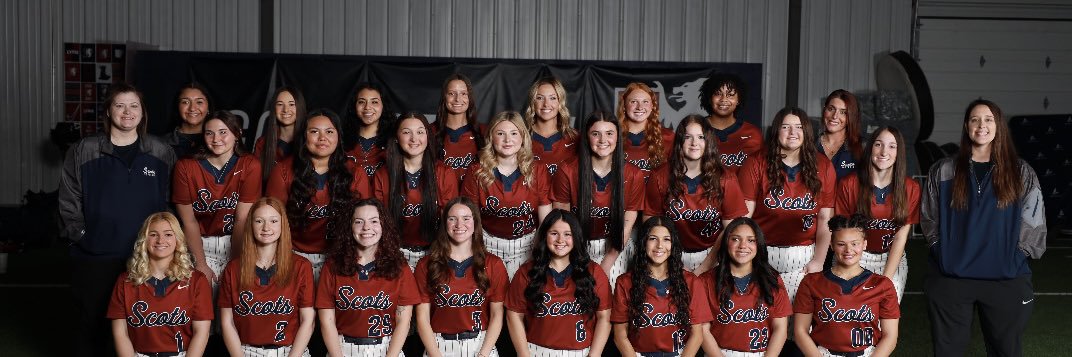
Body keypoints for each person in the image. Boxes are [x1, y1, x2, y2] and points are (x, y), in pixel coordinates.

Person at [921, 99, 1046, 356]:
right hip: (952, 278)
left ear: (998, 125)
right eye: (975, 119)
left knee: (1006, 351)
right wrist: (940, 251)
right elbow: (929, 217)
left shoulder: (1020, 172)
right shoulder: (944, 170)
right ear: (967, 126)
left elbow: (1034, 222)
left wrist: (1014, 258)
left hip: (1005, 278)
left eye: (988, 119)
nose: (982, 125)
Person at [59, 83, 176, 357]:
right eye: (119, 105)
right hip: (96, 256)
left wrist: (164, 244)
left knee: (142, 327)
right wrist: (84, 237)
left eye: (134, 105)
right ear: (109, 112)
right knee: (92, 325)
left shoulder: (160, 151)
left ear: (143, 112)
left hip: (147, 256)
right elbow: (68, 199)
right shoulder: (83, 150)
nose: (127, 112)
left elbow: (172, 202)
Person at [737, 107, 836, 303]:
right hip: (763, 253)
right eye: (786, 127)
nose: (793, 133)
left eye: (799, 127)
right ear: (776, 131)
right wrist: (747, 258)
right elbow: (743, 219)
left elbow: (825, 218)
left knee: (799, 323)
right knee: (761, 320)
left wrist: (818, 261)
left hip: (803, 256)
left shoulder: (822, 165)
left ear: (806, 132)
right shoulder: (756, 163)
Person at [645, 115, 748, 272]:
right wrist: (672, 262)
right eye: (688, 137)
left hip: (713, 254)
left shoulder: (726, 178)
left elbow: (732, 229)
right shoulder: (660, 176)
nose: (694, 143)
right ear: (680, 141)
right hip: (668, 254)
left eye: (701, 137)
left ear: (709, 141)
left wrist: (705, 267)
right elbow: (650, 224)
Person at [317, 198, 419, 357]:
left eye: (374, 221)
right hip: (343, 348)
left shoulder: (399, 266)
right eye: (358, 222)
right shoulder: (332, 266)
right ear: (349, 227)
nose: (366, 228)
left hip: (387, 348)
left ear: (383, 225)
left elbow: (403, 322)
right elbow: (327, 321)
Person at [552, 111, 644, 285]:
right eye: (596, 134)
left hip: (615, 247)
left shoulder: (633, 174)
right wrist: (577, 260)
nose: (603, 140)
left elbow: (627, 224)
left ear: (618, 137)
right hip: (575, 246)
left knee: (608, 295)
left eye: (609, 133)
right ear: (587, 137)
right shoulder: (568, 170)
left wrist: (604, 268)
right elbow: (562, 222)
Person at [504, 210, 613, 356]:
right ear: (544, 236)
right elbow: (514, 315)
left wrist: (594, 355)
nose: (560, 240)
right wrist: (524, 355)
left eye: (567, 234)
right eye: (554, 233)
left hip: (581, 352)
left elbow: (604, 317)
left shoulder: (594, 271)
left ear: (576, 237)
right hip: (537, 351)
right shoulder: (527, 272)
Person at [173, 110, 261, 287]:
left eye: (223, 132)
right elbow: (188, 221)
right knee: (201, 308)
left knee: (233, 306)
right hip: (198, 245)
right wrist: (201, 264)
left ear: (237, 134)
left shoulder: (250, 164)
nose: (216, 139)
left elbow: (242, 220)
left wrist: (235, 264)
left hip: (235, 243)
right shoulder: (185, 167)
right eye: (209, 133)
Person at [218, 197, 316, 356]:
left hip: (291, 351)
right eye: (259, 221)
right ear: (251, 225)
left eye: (273, 221)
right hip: (246, 351)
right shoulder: (233, 268)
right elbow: (226, 322)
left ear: (283, 224)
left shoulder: (301, 266)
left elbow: (308, 321)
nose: (266, 227)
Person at [266, 108, 357, 280]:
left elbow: (362, 221)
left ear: (338, 136)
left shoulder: (354, 172)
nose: (322, 138)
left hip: (339, 257)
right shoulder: (283, 171)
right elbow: (273, 222)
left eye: (329, 131)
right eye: (314, 131)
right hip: (294, 255)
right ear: (304, 137)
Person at [107, 212, 213, 357]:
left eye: (168, 234)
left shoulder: (196, 280)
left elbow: (201, 332)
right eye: (153, 234)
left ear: (178, 239)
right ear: (144, 239)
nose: (160, 240)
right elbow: (120, 333)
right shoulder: (125, 281)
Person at [414, 197, 509, 357]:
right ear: (445, 224)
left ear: (475, 223)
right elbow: (422, 317)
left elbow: (496, 314)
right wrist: (435, 354)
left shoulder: (494, 264)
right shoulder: (426, 265)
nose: (459, 225)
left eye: (466, 218)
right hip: (439, 345)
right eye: (452, 219)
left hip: (481, 343)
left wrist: (484, 354)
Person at [793, 214, 900, 357]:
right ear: (831, 245)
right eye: (841, 244)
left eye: (855, 243)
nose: (848, 250)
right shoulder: (811, 283)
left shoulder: (882, 285)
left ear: (864, 244)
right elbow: (800, 332)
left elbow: (890, 337)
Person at [461, 111, 552, 279]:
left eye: (514, 133)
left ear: (523, 137)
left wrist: (538, 253)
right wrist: (476, 250)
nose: (507, 140)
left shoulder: (537, 170)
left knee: (521, 299)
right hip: (488, 243)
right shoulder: (476, 171)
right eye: (500, 133)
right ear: (491, 137)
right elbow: (469, 218)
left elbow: (546, 221)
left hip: (527, 244)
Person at [835, 126, 919, 300]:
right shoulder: (849, 184)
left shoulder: (911, 188)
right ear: (870, 148)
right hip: (854, 256)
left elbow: (900, 238)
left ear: (899, 153)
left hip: (891, 258)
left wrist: (886, 279)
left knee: (885, 318)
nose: (883, 152)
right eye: (878, 144)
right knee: (849, 315)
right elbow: (843, 234)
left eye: (891, 146)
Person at [612, 216, 712, 356]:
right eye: (653, 238)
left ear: (673, 244)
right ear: (643, 242)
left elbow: (697, 335)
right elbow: (620, 336)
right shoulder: (625, 282)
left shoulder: (691, 282)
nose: (659, 245)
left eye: (666, 239)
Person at [374, 112, 460, 270]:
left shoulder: (444, 172)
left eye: (420, 132)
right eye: (407, 132)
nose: (414, 139)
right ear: (396, 138)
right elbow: (376, 223)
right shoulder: (382, 175)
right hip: (395, 253)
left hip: (434, 253)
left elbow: (450, 220)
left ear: (428, 136)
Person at [699, 217, 792, 356]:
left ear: (758, 244)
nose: (743, 245)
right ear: (726, 242)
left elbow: (780, 328)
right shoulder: (706, 281)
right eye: (735, 239)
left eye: (751, 240)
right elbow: (702, 330)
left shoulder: (772, 279)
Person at [699, 73, 763, 176]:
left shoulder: (753, 133)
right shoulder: (696, 129)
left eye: (730, 95)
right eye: (718, 93)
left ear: (738, 100)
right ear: (710, 98)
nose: (724, 99)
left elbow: (759, 174)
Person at [434, 74, 485, 180]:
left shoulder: (483, 132)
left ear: (469, 98)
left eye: (463, 93)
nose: (458, 99)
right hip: (440, 196)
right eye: (452, 93)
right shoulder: (429, 132)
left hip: (473, 195)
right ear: (444, 97)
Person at [524, 77, 578, 177]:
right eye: (540, 98)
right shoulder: (521, 137)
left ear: (560, 102)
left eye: (552, 98)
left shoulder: (575, 138)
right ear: (533, 102)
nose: (546, 104)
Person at [616, 82, 674, 174]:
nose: (640, 107)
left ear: (652, 106)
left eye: (645, 102)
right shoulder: (611, 137)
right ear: (624, 106)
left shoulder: (668, 137)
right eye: (634, 101)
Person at [344, 82, 393, 185]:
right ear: (354, 106)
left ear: (383, 106)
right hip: (349, 200)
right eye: (362, 102)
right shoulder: (340, 139)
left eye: (374, 102)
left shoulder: (394, 140)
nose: (367, 107)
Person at [256, 86, 307, 182]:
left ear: (300, 107)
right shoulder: (262, 143)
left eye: (291, 104)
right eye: (280, 104)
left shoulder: (310, 142)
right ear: (274, 108)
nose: (286, 110)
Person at [817, 89, 863, 179]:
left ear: (851, 117)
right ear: (824, 110)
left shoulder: (863, 147)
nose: (835, 116)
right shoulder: (809, 146)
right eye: (831, 109)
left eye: (843, 112)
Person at [164, 82, 213, 158]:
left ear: (208, 108)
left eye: (199, 102)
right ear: (177, 107)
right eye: (185, 102)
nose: (192, 108)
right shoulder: (161, 143)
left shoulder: (218, 141)